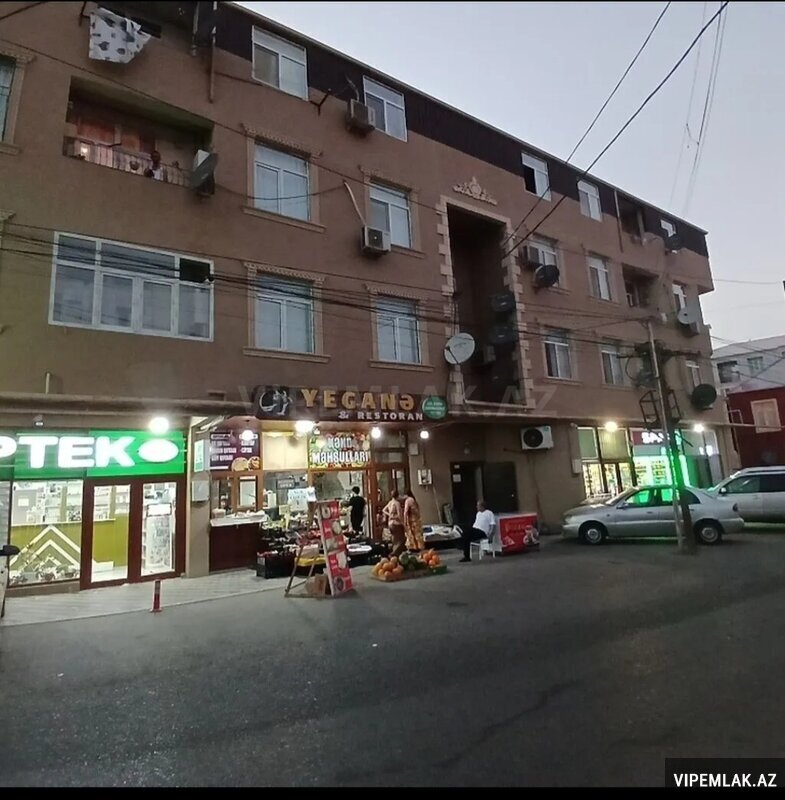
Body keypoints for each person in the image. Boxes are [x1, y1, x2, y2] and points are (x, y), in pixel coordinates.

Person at [382, 489, 406, 558]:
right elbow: (400, 515)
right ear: (398, 495)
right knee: (401, 540)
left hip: (390, 523)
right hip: (396, 524)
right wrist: (403, 524)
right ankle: (394, 554)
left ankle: (394, 555)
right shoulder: (397, 503)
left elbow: (384, 510)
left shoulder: (390, 502)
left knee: (394, 540)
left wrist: (389, 515)